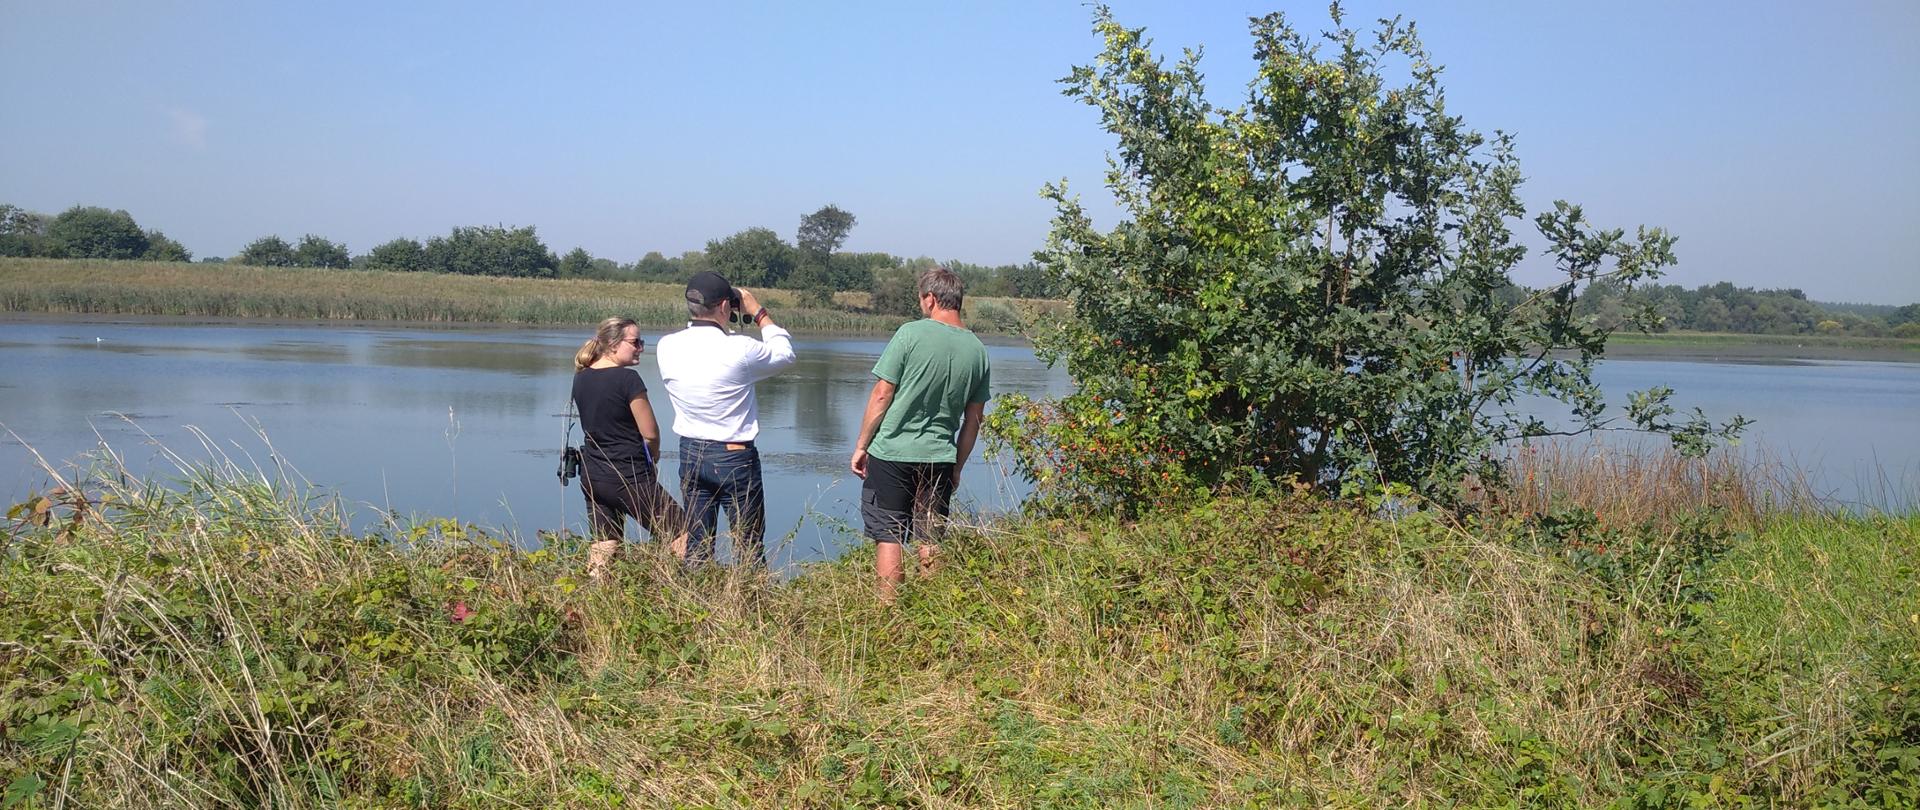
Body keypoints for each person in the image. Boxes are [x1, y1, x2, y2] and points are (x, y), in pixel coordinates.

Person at [850, 266, 991, 602]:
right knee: (930, 537)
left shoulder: (910, 334)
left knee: (889, 535)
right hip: (939, 457)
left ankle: (888, 615)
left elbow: (882, 393)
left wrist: (861, 445)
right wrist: (956, 467)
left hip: (892, 454)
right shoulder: (978, 350)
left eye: (921, 300)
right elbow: (974, 420)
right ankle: (931, 614)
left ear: (930, 298)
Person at [654, 271, 795, 567]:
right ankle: (747, 604)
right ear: (723, 307)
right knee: (747, 544)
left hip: (690, 452)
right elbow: (784, 354)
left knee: (697, 543)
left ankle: (695, 603)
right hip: (734, 456)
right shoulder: (740, 348)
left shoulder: (666, 345)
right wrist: (758, 312)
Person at [571, 316, 687, 580]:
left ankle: (594, 598)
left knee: (604, 543)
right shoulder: (628, 380)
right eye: (635, 342)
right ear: (612, 345)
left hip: (593, 475)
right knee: (682, 532)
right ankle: (683, 590)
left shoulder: (581, 378)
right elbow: (650, 432)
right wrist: (653, 456)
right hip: (628, 474)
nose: (641, 348)